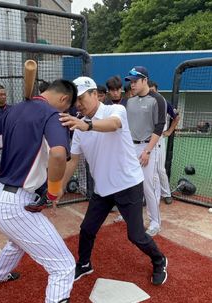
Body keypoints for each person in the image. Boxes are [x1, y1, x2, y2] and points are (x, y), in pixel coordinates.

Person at [0, 79, 87, 303]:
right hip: (16, 203)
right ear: (64, 100)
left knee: (19, 239)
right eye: (71, 107)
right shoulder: (52, 114)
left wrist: (19, 117)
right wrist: (53, 191)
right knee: (64, 267)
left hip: (1, 197)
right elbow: (58, 153)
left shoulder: (15, 109)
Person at [60, 76, 168, 285]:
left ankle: (159, 259)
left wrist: (87, 125)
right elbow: (73, 159)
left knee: (136, 235)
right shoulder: (80, 126)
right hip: (103, 189)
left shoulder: (115, 111)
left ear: (94, 94)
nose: (79, 104)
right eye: (76, 101)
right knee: (87, 229)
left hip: (128, 184)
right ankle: (84, 264)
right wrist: (59, 187)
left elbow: (114, 125)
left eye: (82, 98)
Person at [124, 66, 166, 236]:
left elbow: (159, 126)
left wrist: (147, 151)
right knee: (129, 184)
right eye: (131, 82)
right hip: (130, 146)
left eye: (135, 81)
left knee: (148, 186)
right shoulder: (130, 101)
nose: (132, 85)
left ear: (145, 81)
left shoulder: (157, 99)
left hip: (147, 146)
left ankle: (155, 222)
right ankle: (130, 217)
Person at [148, 80, 181, 205]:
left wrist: (169, 131)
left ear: (157, 90)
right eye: (149, 91)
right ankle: (149, 195)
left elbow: (176, 116)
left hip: (159, 140)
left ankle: (166, 193)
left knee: (160, 169)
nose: (151, 93)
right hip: (146, 141)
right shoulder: (144, 102)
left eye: (153, 91)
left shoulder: (163, 102)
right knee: (147, 170)